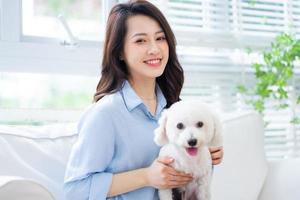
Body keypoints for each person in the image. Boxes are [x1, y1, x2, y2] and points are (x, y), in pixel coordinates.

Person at [63, 0, 223, 199]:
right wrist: (147, 176)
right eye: (141, 41)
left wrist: (203, 155)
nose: (155, 49)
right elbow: (74, 191)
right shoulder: (105, 114)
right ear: (120, 51)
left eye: (160, 38)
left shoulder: (175, 109)